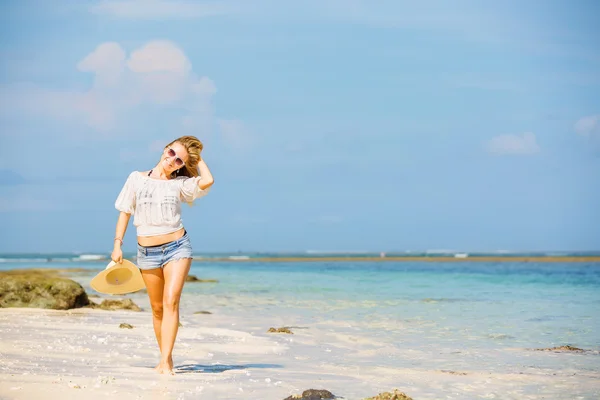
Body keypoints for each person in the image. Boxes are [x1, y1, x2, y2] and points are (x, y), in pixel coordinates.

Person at [110, 135, 214, 375]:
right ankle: (164, 357)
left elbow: (208, 180)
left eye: (179, 161)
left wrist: (196, 158)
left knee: (171, 301)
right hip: (146, 251)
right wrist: (118, 244)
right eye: (171, 154)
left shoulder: (180, 185)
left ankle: (166, 361)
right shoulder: (136, 178)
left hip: (177, 247)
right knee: (157, 308)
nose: (173, 161)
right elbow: (125, 212)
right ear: (164, 150)